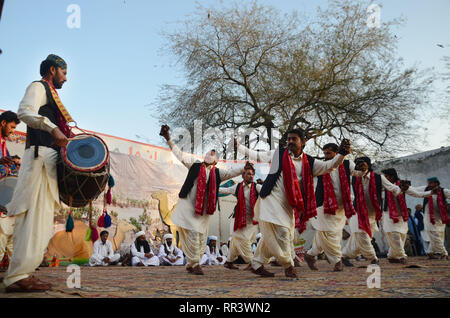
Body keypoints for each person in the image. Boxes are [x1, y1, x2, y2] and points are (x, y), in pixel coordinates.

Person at [3, 55, 72, 293]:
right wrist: (52, 128)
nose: (66, 77)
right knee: (33, 216)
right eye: (63, 72)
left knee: (42, 218)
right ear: (52, 70)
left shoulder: (52, 94)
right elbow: (25, 112)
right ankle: (17, 276)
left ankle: (24, 272)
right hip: (39, 157)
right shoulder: (38, 86)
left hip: (48, 158)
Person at [250, 129, 352, 278]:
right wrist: (239, 146)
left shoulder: (310, 162)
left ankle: (256, 263)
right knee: (283, 232)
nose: (290, 141)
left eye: (294, 139)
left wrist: (342, 154)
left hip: (288, 205)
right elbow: (258, 156)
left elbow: (329, 166)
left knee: (273, 234)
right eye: (289, 139)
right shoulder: (279, 155)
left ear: (303, 142)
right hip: (271, 199)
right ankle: (288, 265)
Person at [160, 125, 246, 275]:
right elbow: (179, 154)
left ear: (216, 161)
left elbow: (233, 172)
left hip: (205, 211)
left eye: (213, 154)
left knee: (200, 237)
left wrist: (245, 167)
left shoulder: (219, 173)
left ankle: (192, 264)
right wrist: (168, 139)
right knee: (193, 234)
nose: (210, 154)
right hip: (189, 207)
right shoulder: (194, 165)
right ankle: (195, 263)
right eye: (208, 152)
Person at [304, 143, 363, 272]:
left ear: (337, 153)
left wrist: (364, 169)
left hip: (341, 206)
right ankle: (337, 260)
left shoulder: (347, 164)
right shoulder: (321, 165)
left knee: (330, 233)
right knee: (330, 233)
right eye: (324, 153)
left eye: (329, 153)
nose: (326, 156)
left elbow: (359, 173)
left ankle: (310, 254)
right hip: (322, 205)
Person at [341, 158, 407, 267]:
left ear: (368, 165)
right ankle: (373, 258)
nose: (360, 166)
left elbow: (393, 189)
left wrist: (401, 189)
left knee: (361, 237)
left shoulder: (379, 178)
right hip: (356, 212)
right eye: (358, 164)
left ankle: (345, 255)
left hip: (372, 215)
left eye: (363, 163)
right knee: (360, 233)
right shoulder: (353, 178)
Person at [380, 168, 432, 264]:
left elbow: (417, 193)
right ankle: (401, 255)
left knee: (402, 235)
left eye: (386, 176)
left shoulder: (402, 185)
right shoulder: (382, 187)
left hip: (401, 215)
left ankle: (392, 255)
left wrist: (431, 192)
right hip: (388, 215)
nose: (385, 178)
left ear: (392, 177)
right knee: (393, 234)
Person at [219, 163, 263, 270]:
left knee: (236, 241)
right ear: (243, 175)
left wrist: (265, 184)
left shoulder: (257, 187)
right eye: (248, 174)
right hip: (238, 219)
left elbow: (268, 192)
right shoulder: (237, 187)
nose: (251, 176)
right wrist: (212, 187)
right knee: (242, 240)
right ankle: (254, 264)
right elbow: (224, 190)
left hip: (251, 221)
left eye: (252, 174)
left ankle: (228, 262)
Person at [0, 111, 20, 271]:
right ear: (3, 123)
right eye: (12, 127)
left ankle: (17, 274)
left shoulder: (3, 145)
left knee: (8, 237)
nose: (13, 131)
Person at [414, 177, 449, 259]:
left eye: (431, 183)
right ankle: (444, 253)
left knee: (439, 235)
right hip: (428, 216)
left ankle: (430, 252)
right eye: (428, 183)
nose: (429, 185)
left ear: (436, 183)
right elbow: (414, 189)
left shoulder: (444, 191)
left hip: (440, 217)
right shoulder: (426, 190)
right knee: (434, 233)